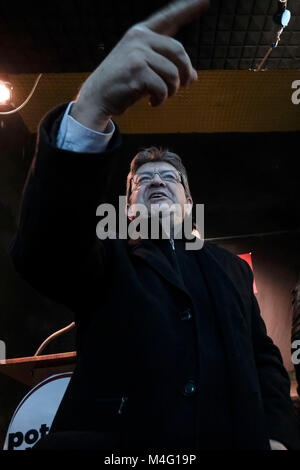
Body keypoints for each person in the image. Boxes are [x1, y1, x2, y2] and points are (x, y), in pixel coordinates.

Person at [10, 0, 300, 451]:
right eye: (142, 180)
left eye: (169, 179)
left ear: (188, 201)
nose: (156, 183)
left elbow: (263, 357)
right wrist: (92, 105)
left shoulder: (234, 271)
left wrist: (279, 434)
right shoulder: (105, 259)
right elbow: (45, 248)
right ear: (128, 209)